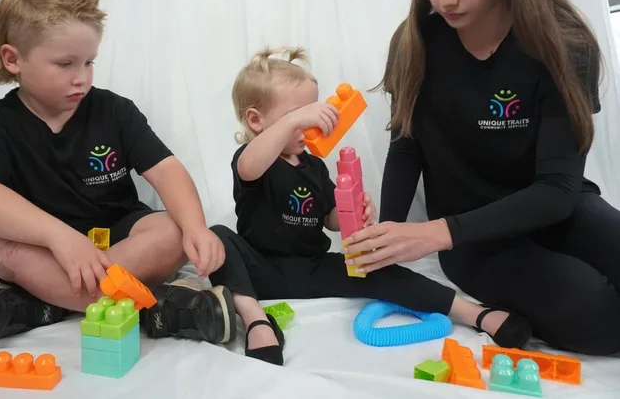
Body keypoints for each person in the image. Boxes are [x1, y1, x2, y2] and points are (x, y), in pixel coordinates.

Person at [344, 0, 620, 356]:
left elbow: (557, 188)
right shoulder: (415, 43)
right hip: (473, 241)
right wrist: (387, 240)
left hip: (556, 209)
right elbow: (406, 148)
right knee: (602, 319)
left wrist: (430, 234)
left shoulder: (564, 42)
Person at [0, 0, 237, 346]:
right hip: (46, 250)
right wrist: (60, 237)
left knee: (172, 230)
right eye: (65, 64)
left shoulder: (114, 111)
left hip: (119, 239)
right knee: (1, 249)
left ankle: (46, 306)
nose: (81, 78)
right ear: (13, 59)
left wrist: (196, 228)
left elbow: (166, 170)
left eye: (89, 62)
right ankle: (153, 307)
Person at [207, 46, 532, 367]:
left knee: (376, 268)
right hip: (261, 268)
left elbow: (329, 219)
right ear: (256, 120)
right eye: (296, 116)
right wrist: (291, 122)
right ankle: (256, 320)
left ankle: (475, 314)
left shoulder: (314, 167)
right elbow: (250, 166)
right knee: (218, 236)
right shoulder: (252, 160)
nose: (309, 123)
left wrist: (353, 211)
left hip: (313, 266)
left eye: (311, 111)